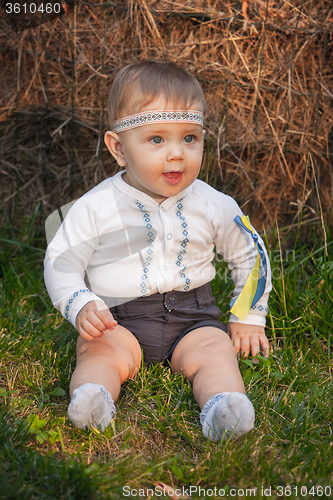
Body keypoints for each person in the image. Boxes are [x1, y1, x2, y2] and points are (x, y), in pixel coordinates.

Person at [44, 59, 272, 441]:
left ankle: (223, 406)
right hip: (118, 318)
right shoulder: (95, 205)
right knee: (99, 353)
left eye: (190, 138)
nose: (177, 154)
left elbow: (250, 254)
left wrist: (248, 314)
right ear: (118, 148)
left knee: (216, 353)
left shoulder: (214, 203)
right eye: (156, 139)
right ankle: (94, 398)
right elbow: (61, 259)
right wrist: (80, 301)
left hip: (193, 316)